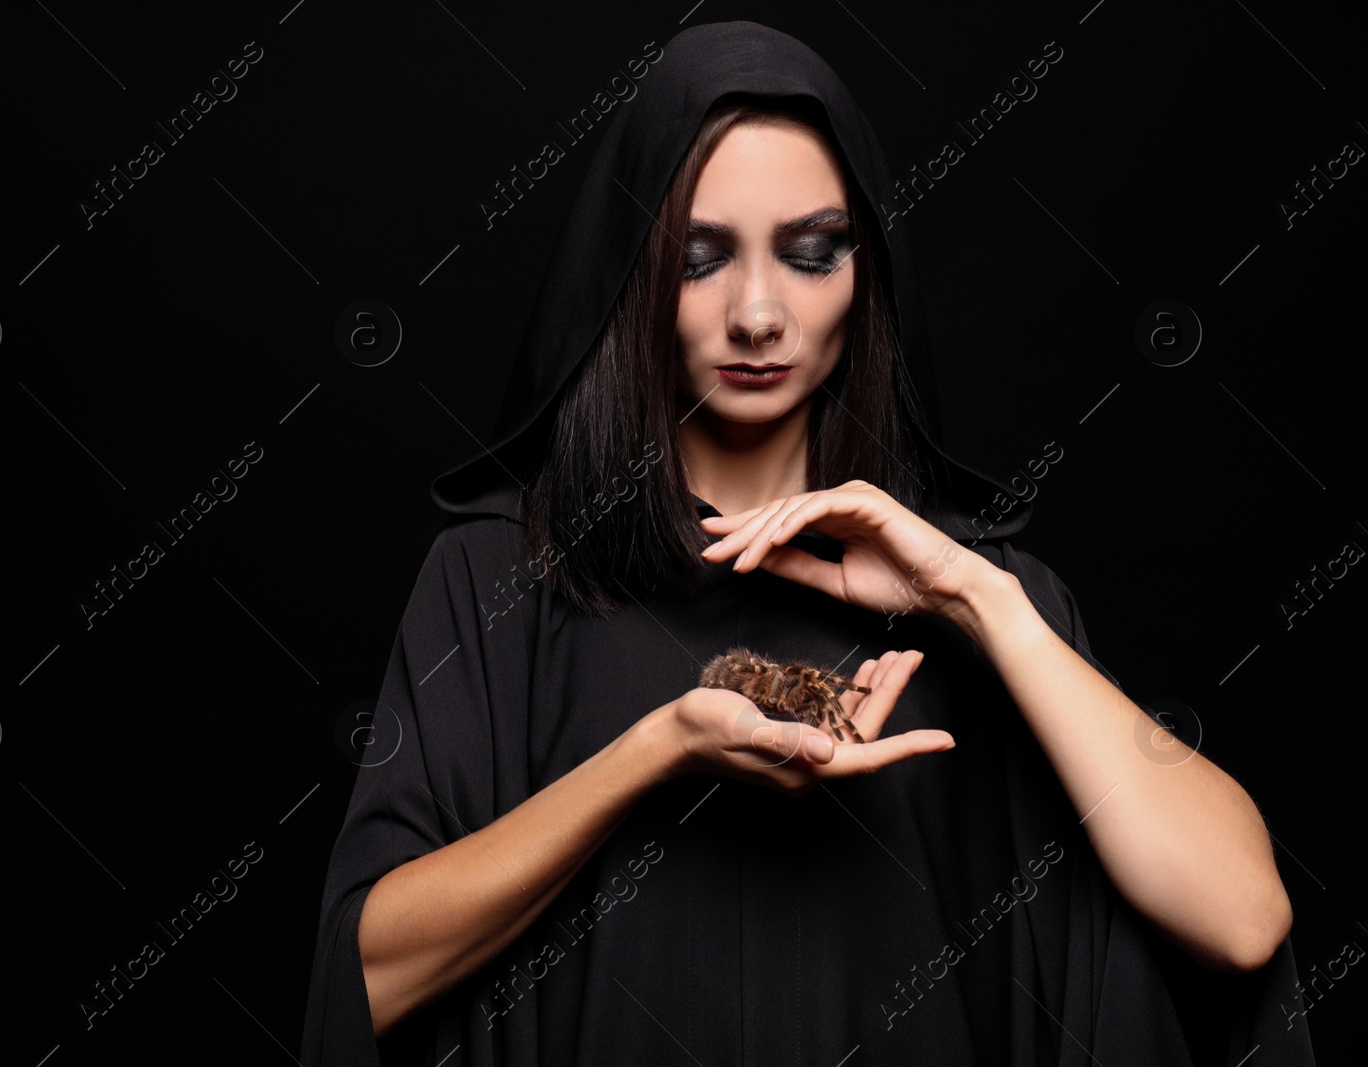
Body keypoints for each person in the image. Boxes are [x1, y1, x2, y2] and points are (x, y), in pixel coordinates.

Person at [302, 20, 1315, 1066]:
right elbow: (371, 972)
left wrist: (980, 601)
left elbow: (1241, 921)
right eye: (699, 259)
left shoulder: (988, 593)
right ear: (627, 277)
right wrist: (657, 751)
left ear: (864, 273)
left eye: (809, 252)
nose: (756, 313)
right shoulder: (494, 575)